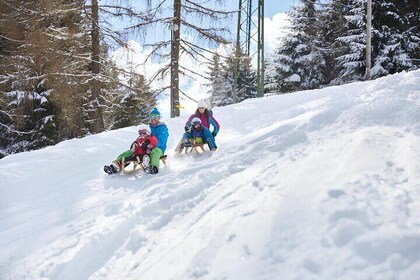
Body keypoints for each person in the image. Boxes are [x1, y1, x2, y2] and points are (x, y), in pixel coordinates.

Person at [145, 107, 169, 174]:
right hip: (148, 147)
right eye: (151, 117)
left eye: (155, 116)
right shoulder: (149, 128)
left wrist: (152, 145)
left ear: (159, 118)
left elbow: (161, 141)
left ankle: (154, 167)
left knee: (154, 151)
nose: (153, 118)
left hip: (159, 149)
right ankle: (118, 164)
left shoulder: (162, 128)